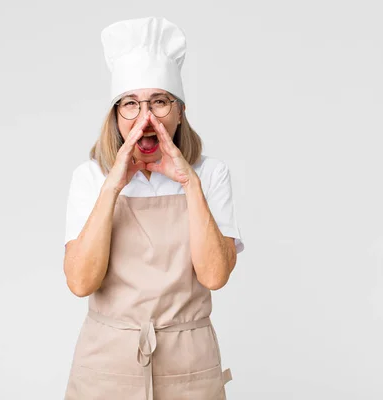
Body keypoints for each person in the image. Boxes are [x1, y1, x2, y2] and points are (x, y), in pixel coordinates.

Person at [62, 16, 244, 400]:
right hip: (106, 365)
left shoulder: (210, 175)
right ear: (116, 116)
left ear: (179, 111)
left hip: (189, 364)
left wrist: (188, 182)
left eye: (159, 101)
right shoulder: (90, 178)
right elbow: (80, 283)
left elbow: (214, 276)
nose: (146, 117)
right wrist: (113, 184)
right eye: (131, 104)